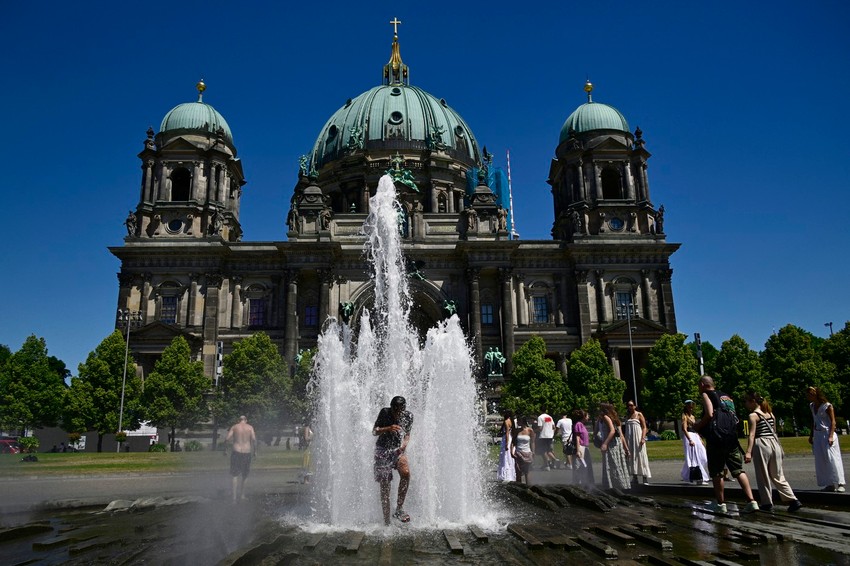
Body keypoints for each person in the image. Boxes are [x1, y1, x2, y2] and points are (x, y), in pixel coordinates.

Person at [693, 375, 759, 514]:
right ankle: (751, 501)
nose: (699, 388)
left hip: (716, 438)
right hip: (731, 438)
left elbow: (710, 414)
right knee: (738, 470)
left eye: (699, 385)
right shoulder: (726, 396)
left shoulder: (706, 394)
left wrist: (698, 426)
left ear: (703, 384)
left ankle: (721, 504)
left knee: (717, 472)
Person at [743, 391, 802, 512]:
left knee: (763, 475)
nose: (745, 404)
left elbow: (752, 434)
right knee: (778, 475)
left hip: (762, 444)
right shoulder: (770, 414)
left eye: (746, 401)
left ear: (753, 402)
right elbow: (774, 431)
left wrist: (748, 451)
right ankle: (793, 499)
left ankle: (767, 503)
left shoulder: (753, 416)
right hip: (774, 444)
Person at [373, 396, 413, 525]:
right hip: (382, 450)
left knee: (405, 473)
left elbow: (407, 434)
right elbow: (375, 431)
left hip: (397, 449)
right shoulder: (385, 412)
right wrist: (388, 428)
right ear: (391, 407)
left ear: (403, 409)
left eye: (399, 411)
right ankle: (386, 522)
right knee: (385, 486)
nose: (397, 413)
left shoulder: (408, 416)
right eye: (394, 410)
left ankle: (399, 509)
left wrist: (405, 444)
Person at [807, 386, 846, 492]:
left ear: (815, 394)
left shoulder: (827, 406)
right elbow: (814, 421)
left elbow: (833, 421)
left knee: (833, 458)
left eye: (810, 394)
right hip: (818, 434)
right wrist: (811, 435)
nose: (808, 396)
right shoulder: (812, 406)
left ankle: (840, 482)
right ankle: (829, 484)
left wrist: (830, 436)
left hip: (827, 433)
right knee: (821, 460)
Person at [594, 403, 631, 490]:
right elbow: (596, 431)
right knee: (611, 464)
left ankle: (617, 486)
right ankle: (613, 485)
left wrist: (605, 443)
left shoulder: (606, 417)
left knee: (613, 465)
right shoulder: (601, 419)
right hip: (611, 443)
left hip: (612, 444)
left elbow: (612, 431)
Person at [225, 415, 257, 503]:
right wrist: (255, 451)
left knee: (235, 475)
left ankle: (234, 498)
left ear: (238, 420)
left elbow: (227, 439)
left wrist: (225, 450)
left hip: (236, 451)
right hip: (247, 452)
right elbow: (254, 440)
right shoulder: (250, 427)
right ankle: (242, 495)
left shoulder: (235, 427)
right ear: (246, 420)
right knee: (245, 475)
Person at [623, 400, 651, 485]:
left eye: (631, 405)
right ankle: (634, 477)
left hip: (638, 438)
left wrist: (643, 438)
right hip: (629, 439)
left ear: (635, 406)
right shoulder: (627, 416)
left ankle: (644, 477)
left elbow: (644, 427)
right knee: (631, 457)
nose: (629, 407)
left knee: (641, 456)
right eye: (628, 405)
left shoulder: (639, 414)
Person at [681, 400, 709, 484]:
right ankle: (699, 478)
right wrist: (690, 439)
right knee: (694, 457)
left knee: (702, 455)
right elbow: (684, 429)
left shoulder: (692, 416)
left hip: (695, 435)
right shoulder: (684, 416)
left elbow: (695, 429)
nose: (691, 409)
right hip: (689, 436)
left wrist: (699, 438)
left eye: (692, 407)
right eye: (690, 407)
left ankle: (690, 475)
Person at [572, 409, 594, 486]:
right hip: (581, 447)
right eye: (587, 416)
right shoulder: (578, 424)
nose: (588, 417)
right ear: (583, 417)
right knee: (579, 466)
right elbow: (577, 438)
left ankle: (583, 482)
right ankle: (578, 483)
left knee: (584, 466)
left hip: (585, 447)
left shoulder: (581, 424)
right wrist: (578, 450)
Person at [512, 418, 535, 485]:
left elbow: (533, 442)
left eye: (519, 421)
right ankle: (519, 486)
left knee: (527, 471)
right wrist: (512, 450)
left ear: (523, 422)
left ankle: (528, 486)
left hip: (527, 452)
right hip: (519, 451)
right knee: (518, 470)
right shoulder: (517, 431)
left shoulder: (530, 430)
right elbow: (513, 442)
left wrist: (533, 451)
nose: (518, 423)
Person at [497, 410, 516, 482]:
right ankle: (511, 474)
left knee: (505, 456)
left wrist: (506, 444)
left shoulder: (506, 421)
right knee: (509, 457)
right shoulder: (511, 421)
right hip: (511, 437)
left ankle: (505, 475)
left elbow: (507, 432)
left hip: (506, 438)